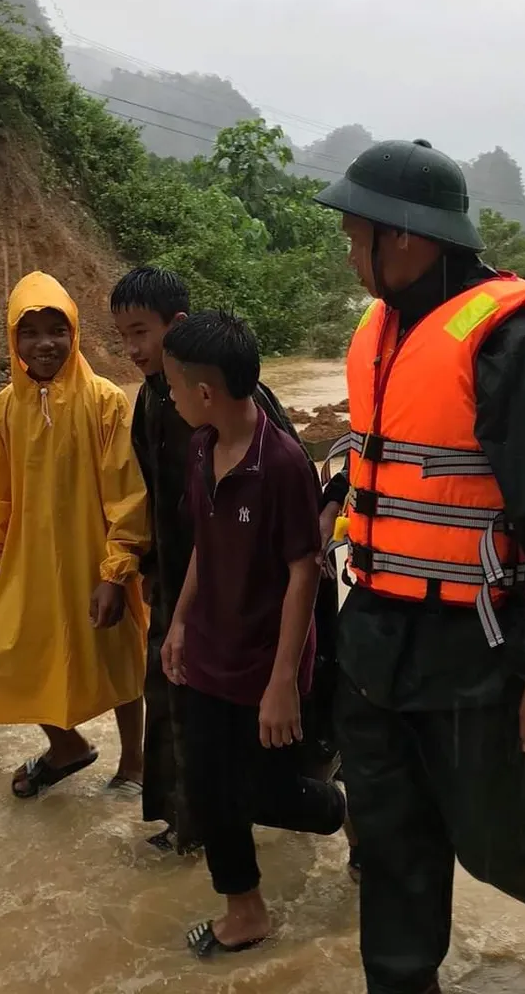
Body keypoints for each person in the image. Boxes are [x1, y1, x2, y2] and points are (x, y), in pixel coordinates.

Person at [312, 140, 525, 993]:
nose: (347, 250)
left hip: (476, 645)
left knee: (487, 836)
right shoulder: (379, 329)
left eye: (353, 234)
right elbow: (391, 462)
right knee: (391, 845)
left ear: (403, 240)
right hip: (374, 634)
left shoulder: (512, 343)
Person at [112, 267, 351, 860]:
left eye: (143, 332)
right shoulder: (157, 403)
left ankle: (336, 801)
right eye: (124, 337)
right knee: (184, 715)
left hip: (256, 601)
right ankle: (196, 825)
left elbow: (296, 542)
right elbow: (166, 504)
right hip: (192, 582)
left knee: (264, 746)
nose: (136, 350)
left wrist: (286, 670)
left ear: (179, 330)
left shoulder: (250, 421)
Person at [159, 310, 347, 958]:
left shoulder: (285, 464)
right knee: (209, 785)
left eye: (173, 387)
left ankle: (345, 811)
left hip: (266, 659)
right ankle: (245, 911)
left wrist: (282, 686)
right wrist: (180, 621)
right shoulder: (202, 448)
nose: (170, 398)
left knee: (267, 792)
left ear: (205, 393)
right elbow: (203, 548)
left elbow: (304, 575)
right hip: (211, 646)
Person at [0, 271, 150, 799]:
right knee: (8, 659)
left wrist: (117, 572)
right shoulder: (6, 407)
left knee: (117, 656)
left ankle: (135, 763)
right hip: (28, 562)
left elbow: (127, 491)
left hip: (93, 559)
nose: (45, 343)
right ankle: (69, 746)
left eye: (57, 328)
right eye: (30, 332)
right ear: (14, 339)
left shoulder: (104, 401)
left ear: (74, 332)